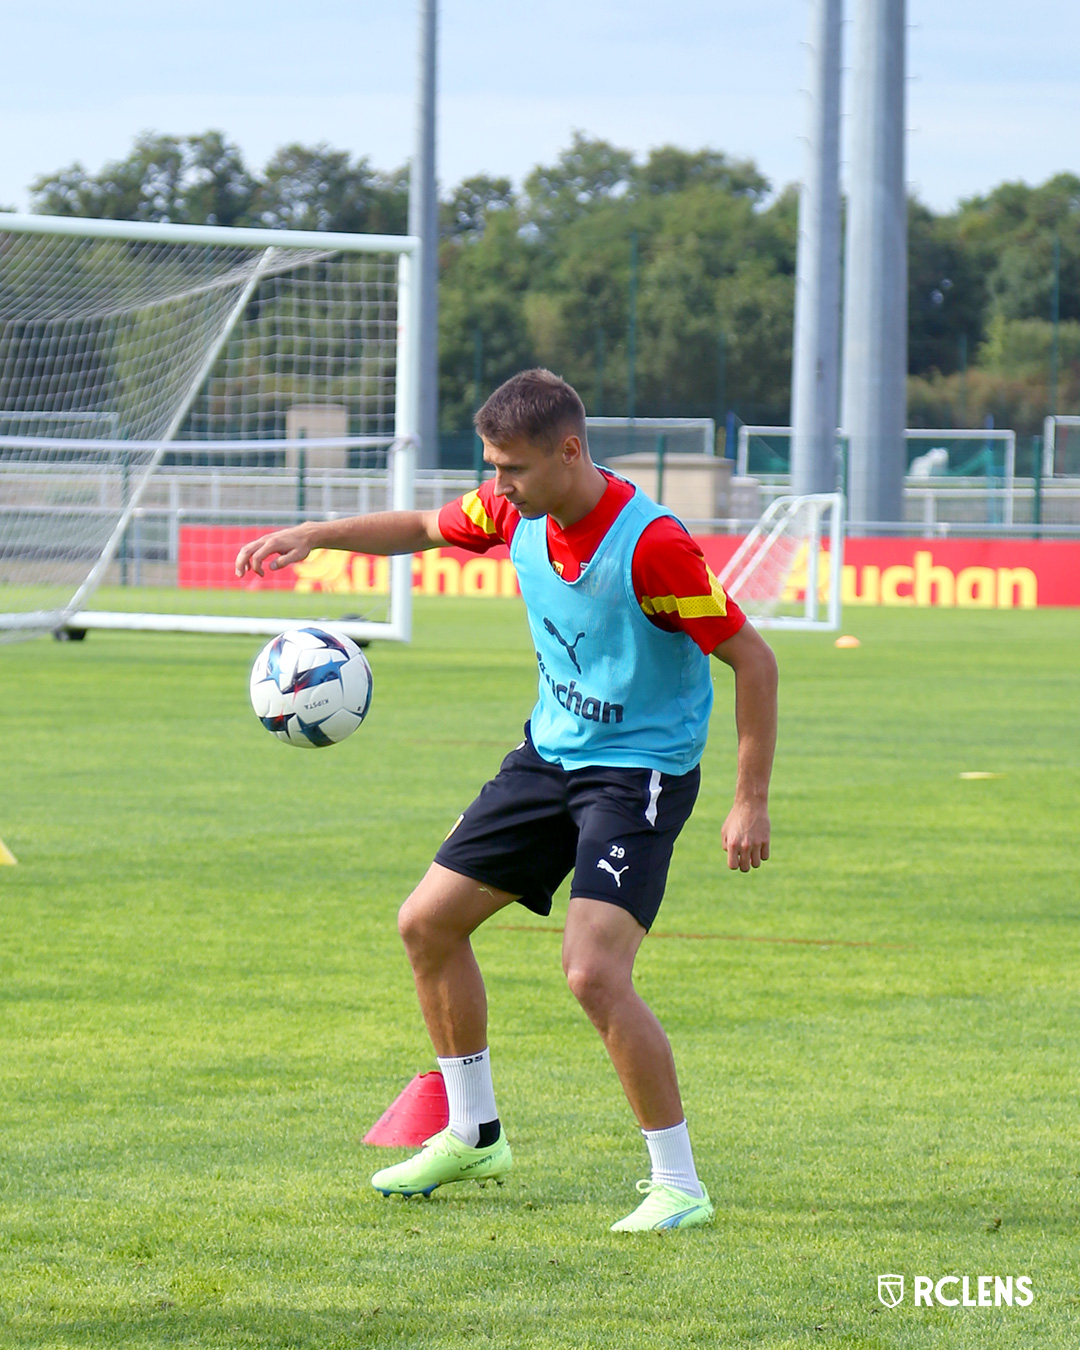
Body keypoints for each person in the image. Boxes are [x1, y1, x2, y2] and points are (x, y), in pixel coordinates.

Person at [235, 369, 778, 1232]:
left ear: (570, 452)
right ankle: (472, 1130)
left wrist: (749, 800)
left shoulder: (654, 547)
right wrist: (317, 533)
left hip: (636, 774)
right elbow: (419, 525)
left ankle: (678, 1182)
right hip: (548, 756)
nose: (496, 488)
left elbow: (752, 659)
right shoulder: (509, 510)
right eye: (491, 467)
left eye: (511, 469)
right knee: (427, 924)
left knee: (593, 972)